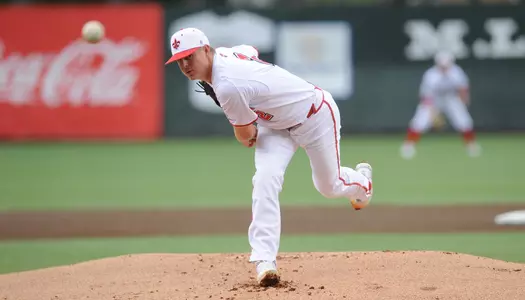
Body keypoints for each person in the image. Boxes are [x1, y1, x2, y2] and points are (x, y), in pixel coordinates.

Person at [165, 28, 373, 287]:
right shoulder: (227, 55)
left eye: (189, 56)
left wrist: (245, 121)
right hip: (275, 126)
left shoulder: (227, 86)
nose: (185, 65)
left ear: (206, 50)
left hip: (314, 115)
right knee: (265, 179)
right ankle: (265, 262)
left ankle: (363, 183)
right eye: (179, 61)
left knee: (329, 186)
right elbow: (249, 50)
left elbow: (246, 137)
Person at [400, 51, 481, 159]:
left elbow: (463, 89)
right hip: (434, 100)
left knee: (464, 120)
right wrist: (433, 114)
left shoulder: (456, 72)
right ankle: (408, 146)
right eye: (442, 65)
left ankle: (471, 146)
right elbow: (425, 96)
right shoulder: (431, 75)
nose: (444, 68)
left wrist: (464, 102)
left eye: (446, 65)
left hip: (451, 98)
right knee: (419, 121)